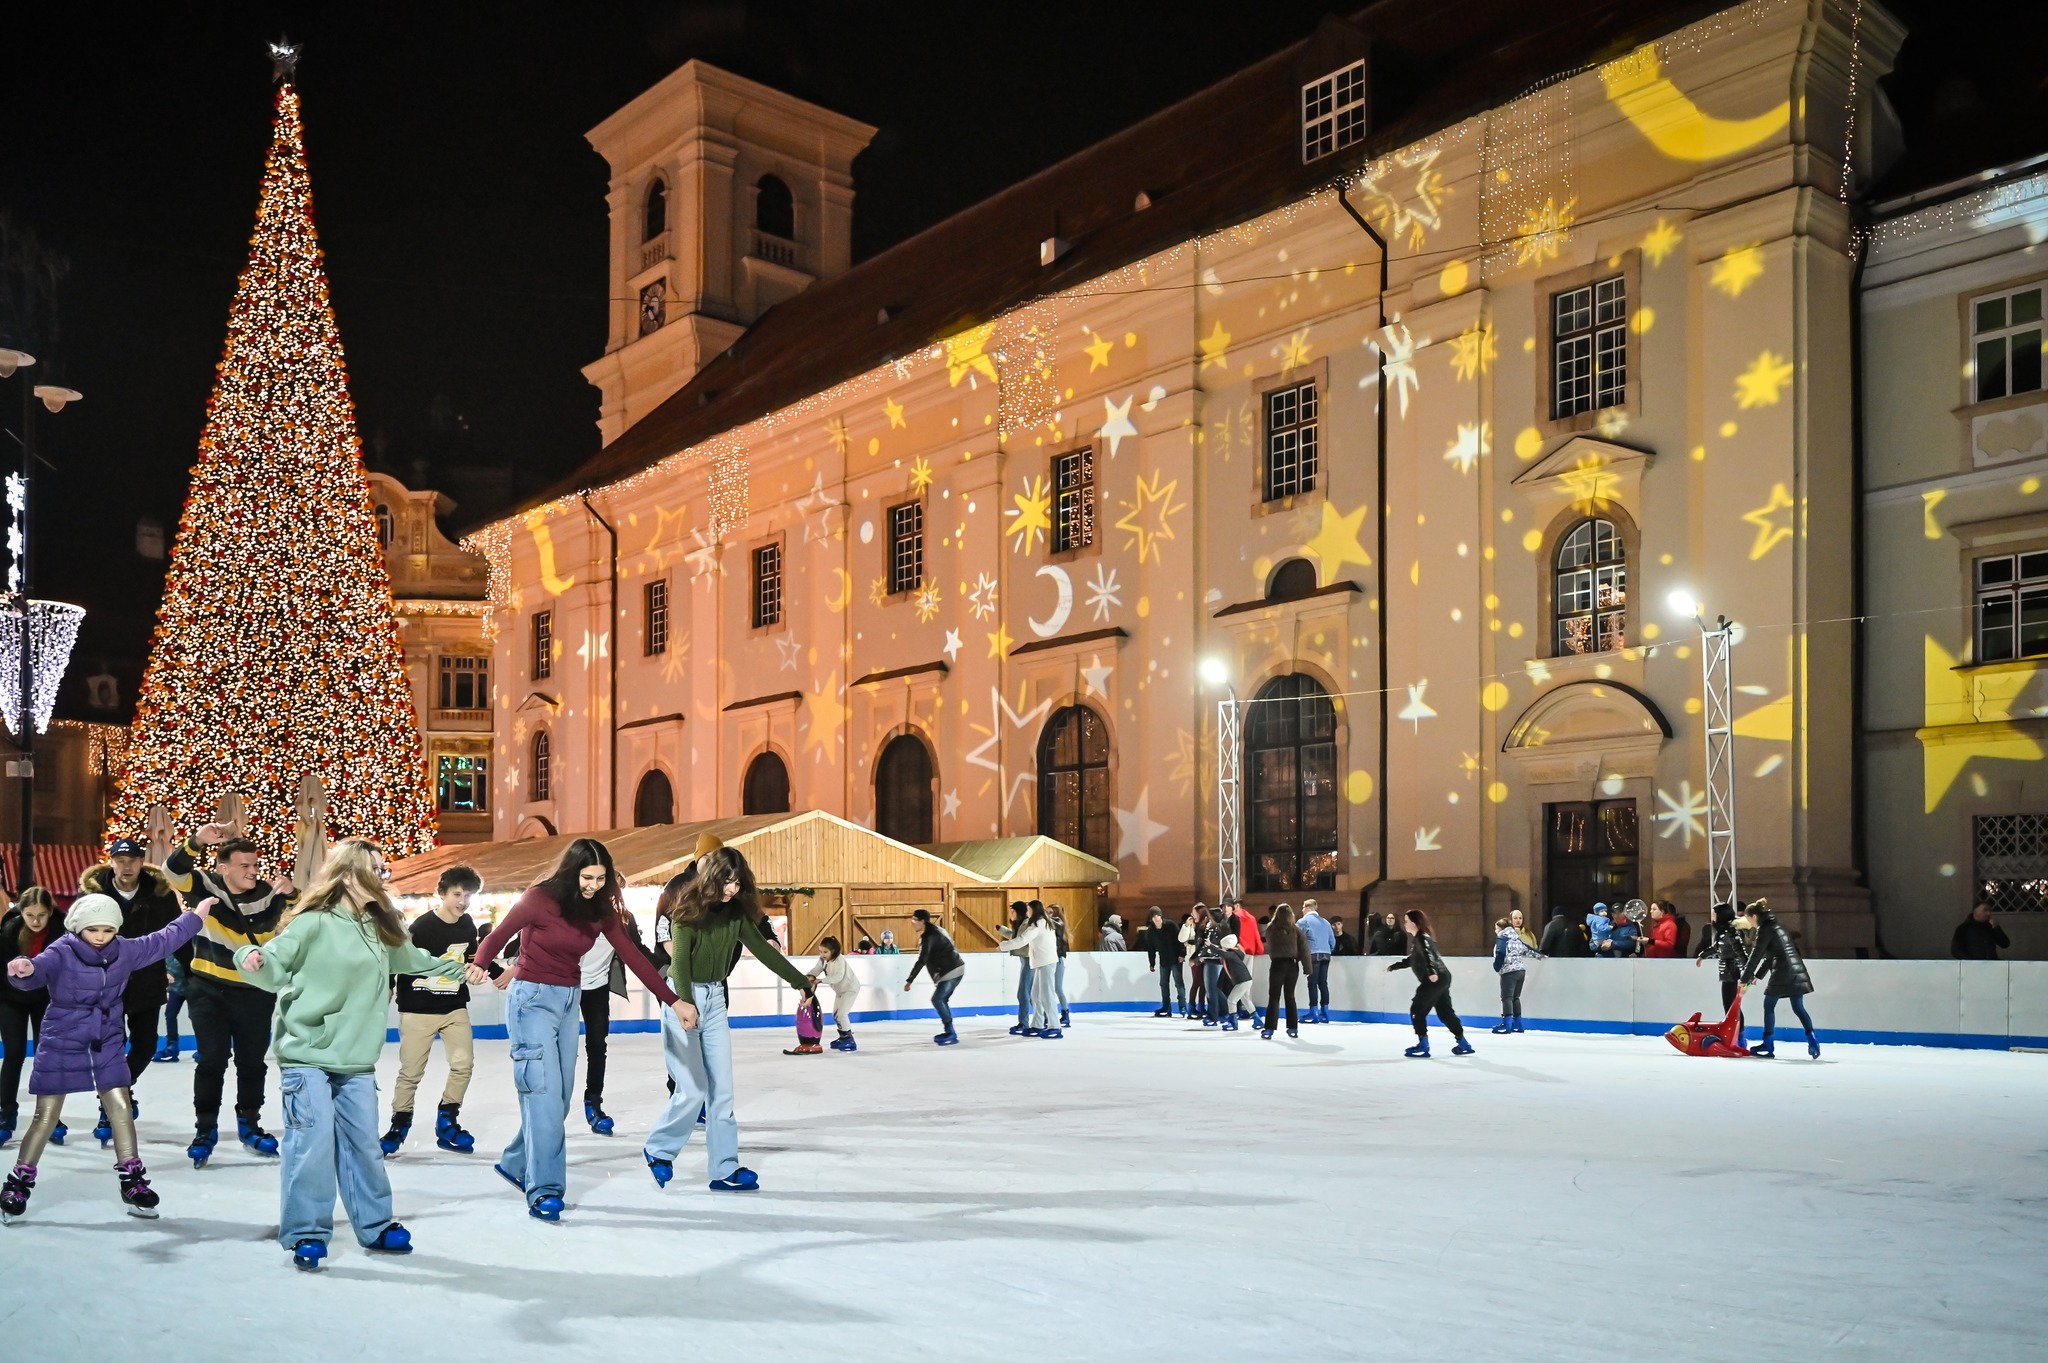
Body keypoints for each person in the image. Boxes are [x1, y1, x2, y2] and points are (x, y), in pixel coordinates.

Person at [233, 840, 469, 1269]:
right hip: (307, 1054)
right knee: (311, 1143)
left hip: (357, 1059)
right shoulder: (313, 923)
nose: (383, 876)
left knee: (364, 1145)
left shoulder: (379, 927)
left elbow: (415, 959)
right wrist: (251, 956)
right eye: (375, 869)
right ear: (347, 874)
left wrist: (464, 969)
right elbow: (273, 961)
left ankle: (375, 1225)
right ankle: (306, 1231)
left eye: (383, 869)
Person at [470, 837, 681, 1221]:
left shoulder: (600, 909)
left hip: (569, 1002)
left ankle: (516, 1161)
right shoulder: (539, 898)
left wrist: (673, 1000)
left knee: (560, 1098)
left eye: (600, 879)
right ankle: (544, 1190)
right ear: (572, 872)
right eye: (587, 877)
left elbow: (634, 956)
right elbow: (498, 936)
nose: (593, 885)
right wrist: (480, 962)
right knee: (544, 1095)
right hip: (531, 1001)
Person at [2, 891, 206, 1224]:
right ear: (79, 927)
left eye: (108, 930)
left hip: (106, 1040)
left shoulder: (123, 950)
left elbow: (162, 941)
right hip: (62, 1040)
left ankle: (133, 1181)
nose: (100, 937)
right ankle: (18, 1184)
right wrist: (22, 970)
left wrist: (195, 917)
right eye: (93, 929)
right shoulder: (62, 950)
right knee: (46, 1115)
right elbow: (36, 972)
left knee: (121, 1107)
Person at [643, 847, 817, 1192]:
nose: (732, 889)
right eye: (727, 881)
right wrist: (685, 1003)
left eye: (738, 883)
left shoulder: (736, 913)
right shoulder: (687, 909)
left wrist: (800, 981)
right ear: (711, 877)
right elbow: (679, 963)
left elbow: (763, 949)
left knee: (722, 1091)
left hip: (715, 1000)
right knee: (693, 1089)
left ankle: (724, 1168)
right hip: (681, 999)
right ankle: (659, 1149)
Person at [165, 822, 296, 1165]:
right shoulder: (205, 885)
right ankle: (205, 1128)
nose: (253, 871)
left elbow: (302, 917)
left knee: (252, 1062)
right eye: (244, 865)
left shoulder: (270, 893)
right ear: (223, 868)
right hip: (208, 989)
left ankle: (249, 1123)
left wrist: (293, 891)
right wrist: (197, 840)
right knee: (211, 1060)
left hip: (255, 992)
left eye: (255, 864)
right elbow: (172, 870)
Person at [381, 865, 493, 1157]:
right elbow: (399, 958)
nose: (463, 901)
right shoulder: (422, 927)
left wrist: (486, 970)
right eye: (457, 894)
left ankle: (447, 1121)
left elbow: (472, 959)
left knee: (463, 1065)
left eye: (468, 896)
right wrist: (389, 985)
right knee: (411, 1072)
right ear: (442, 893)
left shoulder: (467, 924)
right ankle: (398, 1126)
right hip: (418, 1009)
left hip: (454, 1007)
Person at [78, 836, 182, 1142]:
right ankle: (108, 1108)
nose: (126, 866)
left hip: (147, 983)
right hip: (105, 986)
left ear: (141, 862)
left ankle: (119, 1090)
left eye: (132, 860)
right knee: (109, 1050)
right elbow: (73, 938)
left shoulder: (160, 895)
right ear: (111, 863)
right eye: (120, 861)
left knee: (146, 1046)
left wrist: (193, 971)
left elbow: (178, 935)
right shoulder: (92, 896)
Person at [577, 900, 652, 1135]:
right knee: (561, 1049)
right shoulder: (573, 911)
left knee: (597, 1046)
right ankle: (552, 1109)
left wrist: (665, 973)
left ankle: (593, 1102)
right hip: (565, 985)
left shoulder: (622, 919)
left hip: (597, 988)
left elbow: (637, 951)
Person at [1, 890, 59, 1149]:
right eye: (30, 915)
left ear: (50, 913)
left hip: (44, 999)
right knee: (13, 1053)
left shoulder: (61, 933)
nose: (36, 921)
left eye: (42, 915)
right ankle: (6, 1113)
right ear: (21, 912)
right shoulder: (9, 930)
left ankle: (50, 1117)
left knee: (45, 1056)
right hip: (10, 998)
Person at [1385, 909, 1473, 1058]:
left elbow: (1428, 954)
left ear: (1414, 923)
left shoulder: (1422, 938)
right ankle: (1463, 1043)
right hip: (1443, 978)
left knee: (1417, 1010)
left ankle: (1423, 1044)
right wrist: (1394, 966)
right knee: (1445, 1012)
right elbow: (1413, 959)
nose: (1404, 924)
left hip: (1434, 979)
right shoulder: (1420, 939)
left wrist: (1431, 971)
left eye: (1406, 921)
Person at [1739, 901, 1820, 1059]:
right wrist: (1757, 976)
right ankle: (1813, 1040)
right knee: (1798, 1007)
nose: (1749, 923)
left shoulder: (1764, 930)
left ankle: (1768, 1044)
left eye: (1749, 919)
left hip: (1782, 972)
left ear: (1754, 916)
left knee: (1769, 1006)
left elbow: (1756, 956)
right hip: (1797, 969)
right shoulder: (1778, 925)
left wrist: (1744, 978)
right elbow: (1771, 956)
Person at [902, 908, 965, 1044]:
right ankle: (949, 1030)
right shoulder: (936, 931)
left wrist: (909, 980)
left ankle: (951, 1033)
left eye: (915, 919)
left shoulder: (929, 936)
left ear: (922, 921)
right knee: (942, 999)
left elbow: (922, 960)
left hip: (951, 970)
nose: (912, 922)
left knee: (938, 999)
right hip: (954, 969)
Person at [1002, 904, 1060, 1038]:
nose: (1027, 912)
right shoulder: (1040, 923)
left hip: (1046, 962)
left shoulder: (1039, 924)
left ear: (1034, 910)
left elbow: (1023, 939)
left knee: (1047, 995)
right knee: (1036, 995)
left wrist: (1003, 946)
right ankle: (1038, 1024)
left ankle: (1054, 1026)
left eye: (1029, 909)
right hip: (1041, 962)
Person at [1693, 903, 1749, 1027]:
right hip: (1726, 972)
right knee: (1729, 1003)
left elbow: (1741, 953)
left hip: (1732, 971)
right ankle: (1734, 1029)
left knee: (1731, 1004)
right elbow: (1716, 947)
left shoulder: (1732, 933)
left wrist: (1748, 973)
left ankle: (1737, 1031)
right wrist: (1702, 956)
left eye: (1714, 914)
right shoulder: (1723, 932)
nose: (1712, 916)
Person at [1261, 904, 1310, 1039]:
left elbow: (1269, 944)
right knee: (1290, 996)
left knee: (1274, 997)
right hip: (1292, 965)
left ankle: (1269, 1028)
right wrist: (1307, 967)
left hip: (1277, 964)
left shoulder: (1271, 929)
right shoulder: (1296, 930)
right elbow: (1304, 949)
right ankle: (1293, 1028)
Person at [806, 936, 861, 1052]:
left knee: (842, 1014)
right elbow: (817, 969)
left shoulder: (839, 960)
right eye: (820, 951)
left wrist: (821, 980)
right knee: (836, 1014)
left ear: (833, 951)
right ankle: (843, 1037)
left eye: (825, 952)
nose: (822, 954)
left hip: (850, 989)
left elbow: (838, 977)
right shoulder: (823, 960)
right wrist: (809, 976)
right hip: (840, 990)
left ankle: (850, 1040)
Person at [1490, 915, 1543, 1034]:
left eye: (1496, 928)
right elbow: (1528, 949)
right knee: (1515, 997)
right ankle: (1518, 1024)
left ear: (1502, 928)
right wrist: (1540, 955)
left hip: (1509, 971)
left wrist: (1496, 966)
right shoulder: (1515, 938)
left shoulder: (1503, 937)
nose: (1495, 931)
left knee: (1506, 997)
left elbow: (1500, 952)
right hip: (1520, 971)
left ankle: (1507, 1024)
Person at [1297, 899, 1336, 1024]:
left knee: (1312, 983)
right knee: (1323, 983)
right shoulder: (1326, 922)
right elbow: (1332, 941)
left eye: (1303, 907)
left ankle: (1313, 1011)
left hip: (1313, 954)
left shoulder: (1303, 921)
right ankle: (1325, 1012)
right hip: (1326, 954)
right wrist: (1328, 949)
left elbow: (1297, 939)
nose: (1302, 909)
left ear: (1308, 907)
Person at [1143, 908, 1186, 1018]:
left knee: (1178, 983)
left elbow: (1180, 940)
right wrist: (1152, 963)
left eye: (1158, 916)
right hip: (1164, 960)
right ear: (1151, 919)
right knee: (1163, 984)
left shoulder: (1171, 925)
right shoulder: (1151, 931)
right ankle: (1166, 1007)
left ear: (1161, 916)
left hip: (1176, 959)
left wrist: (1182, 954)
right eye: (1154, 917)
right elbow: (1151, 948)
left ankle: (1182, 1007)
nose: (1157, 919)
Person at [1194, 907, 1230, 1027]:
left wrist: (1198, 957)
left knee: (1211, 989)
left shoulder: (1213, 928)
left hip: (1212, 960)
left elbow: (1206, 945)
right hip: (1217, 960)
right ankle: (1226, 1011)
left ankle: (1213, 1015)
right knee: (1215, 989)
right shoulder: (1223, 927)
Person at [1217, 933, 1255, 1031]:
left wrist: (1210, 945)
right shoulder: (1236, 953)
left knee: (1231, 1000)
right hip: (1245, 980)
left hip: (1243, 981)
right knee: (1246, 1000)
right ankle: (1257, 1020)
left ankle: (1233, 1023)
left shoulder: (1232, 954)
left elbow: (1222, 954)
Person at [1047, 903, 1073, 1027]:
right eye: (1046, 912)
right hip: (1053, 960)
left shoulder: (1057, 925)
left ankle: (1065, 1013)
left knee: (1057, 988)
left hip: (1058, 960)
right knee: (1051, 988)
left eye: (1050, 912)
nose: (1048, 915)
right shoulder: (1051, 926)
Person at [1181, 908, 1206, 1017]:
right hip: (1194, 957)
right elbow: (1181, 939)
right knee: (1197, 982)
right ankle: (1191, 1006)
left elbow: (1201, 941)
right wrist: (1186, 926)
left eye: (1194, 913)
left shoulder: (1204, 926)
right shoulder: (1190, 926)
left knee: (1203, 983)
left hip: (1203, 957)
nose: (1192, 915)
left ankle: (1201, 1006)